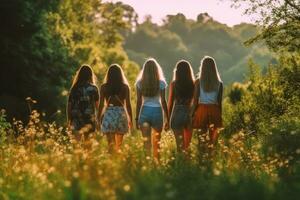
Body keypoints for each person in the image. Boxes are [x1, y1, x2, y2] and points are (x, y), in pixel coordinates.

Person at [135, 58, 169, 161]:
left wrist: (136, 118)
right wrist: (167, 117)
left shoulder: (140, 83)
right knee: (157, 142)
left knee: (147, 143)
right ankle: (157, 164)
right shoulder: (161, 83)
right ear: (156, 69)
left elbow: (139, 102)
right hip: (157, 112)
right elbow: (163, 101)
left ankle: (147, 164)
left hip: (144, 112)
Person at [191, 56, 223, 156]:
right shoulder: (219, 83)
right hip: (215, 110)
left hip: (201, 110)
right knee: (213, 141)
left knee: (201, 140)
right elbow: (219, 102)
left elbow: (195, 100)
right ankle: (211, 160)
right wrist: (220, 115)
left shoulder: (198, 81)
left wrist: (192, 113)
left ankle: (201, 161)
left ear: (202, 67)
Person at [98, 64, 132, 153]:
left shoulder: (104, 87)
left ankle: (111, 164)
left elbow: (101, 105)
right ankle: (117, 162)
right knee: (119, 146)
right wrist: (130, 119)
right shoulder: (125, 87)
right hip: (121, 114)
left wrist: (98, 118)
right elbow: (128, 104)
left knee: (110, 145)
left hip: (109, 114)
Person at [168, 60, 195, 154]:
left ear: (177, 71)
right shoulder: (193, 84)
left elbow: (170, 103)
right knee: (187, 146)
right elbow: (195, 102)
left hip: (177, 114)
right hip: (189, 114)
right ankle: (188, 166)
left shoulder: (174, 84)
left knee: (180, 147)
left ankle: (180, 165)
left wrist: (167, 120)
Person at [67, 65, 99, 140]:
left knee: (76, 144)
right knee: (88, 145)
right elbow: (98, 106)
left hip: (76, 118)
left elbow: (69, 106)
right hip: (89, 119)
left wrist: (69, 120)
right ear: (90, 75)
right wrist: (98, 120)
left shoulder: (74, 88)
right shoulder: (94, 89)